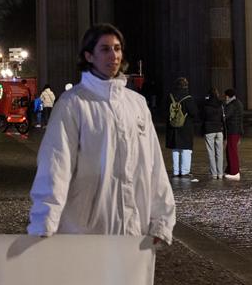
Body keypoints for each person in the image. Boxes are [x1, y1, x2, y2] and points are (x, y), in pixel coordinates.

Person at [27, 24, 175, 244]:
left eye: (117, 48)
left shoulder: (137, 104)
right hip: (87, 230)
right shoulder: (72, 104)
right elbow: (56, 164)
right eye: (105, 49)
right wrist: (44, 221)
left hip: (134, 229)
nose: (113, 56)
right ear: (89, 55)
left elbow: (154, 165)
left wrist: (161, 220)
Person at [163, 77, 196, 179]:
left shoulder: (170, 97)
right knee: (186, 149)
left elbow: (163, 110)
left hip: (172, 127)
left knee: (175, 149)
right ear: (186, 86)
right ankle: (185, 171)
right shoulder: (188, 98)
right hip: (185, 127)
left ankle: (176, 171)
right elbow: (194, 112)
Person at [197, 86, 225, 179]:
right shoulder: (221, 104)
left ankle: (214, 173)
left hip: (209, 130)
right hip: (219, 129)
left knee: (211, 153)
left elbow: (202, 117)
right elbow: (223, 118)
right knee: (220, 153)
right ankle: (220, 173)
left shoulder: (205, 105)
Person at [221, 88, 244, 179]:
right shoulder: (237, 103)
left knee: (232, 151)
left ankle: (235, 172)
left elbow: (225, 116)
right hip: (235, 130)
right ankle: (230, 170)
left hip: (233, 130)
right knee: (229, 150)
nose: (225, 98)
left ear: (228, 96)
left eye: (225, 96)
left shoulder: (232, 105)